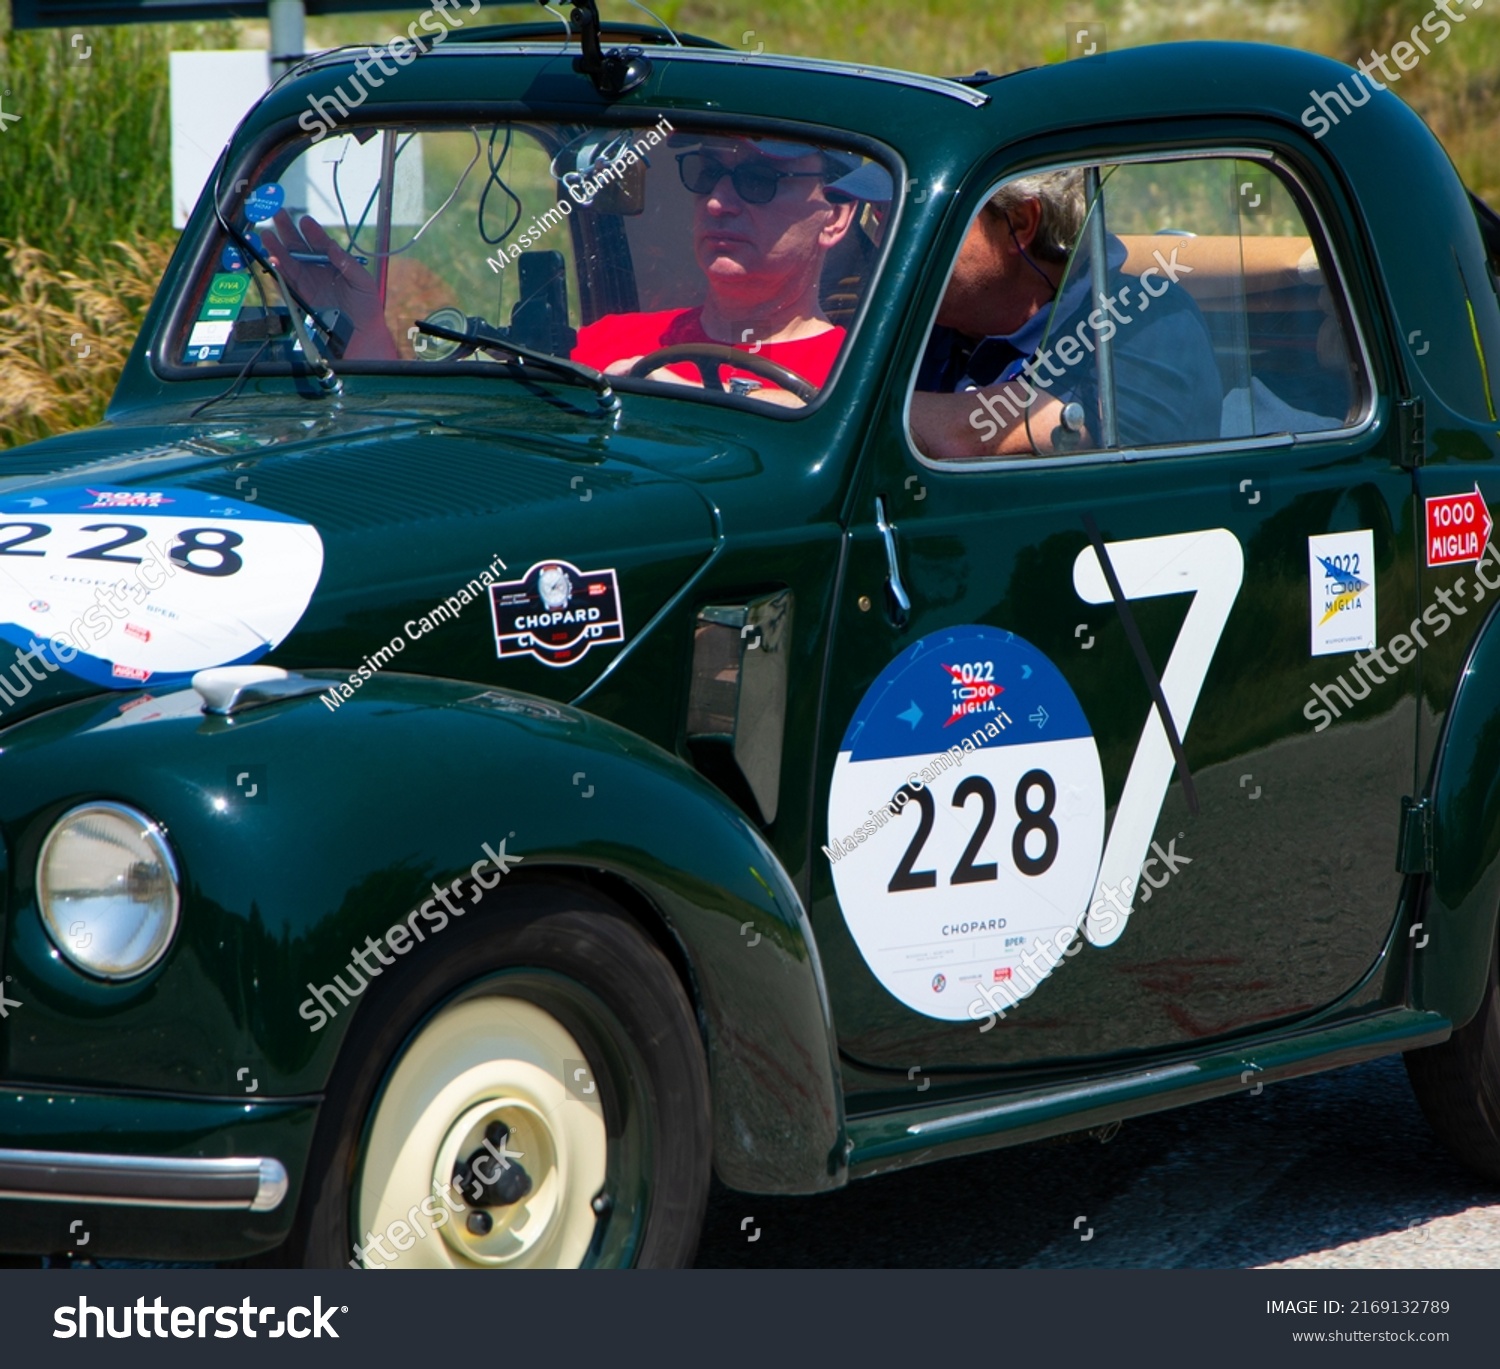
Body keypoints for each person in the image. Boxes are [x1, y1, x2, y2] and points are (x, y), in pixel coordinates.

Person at [907, 169, 1223, 458]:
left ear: (1020, 223)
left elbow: (969, 433)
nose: (899, 243)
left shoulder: (1144, 319)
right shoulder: (932, 320)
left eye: (923, 218)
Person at [570, 136, 858, 405]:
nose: (717, 203)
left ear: (835, 216)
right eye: (708, 172)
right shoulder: (605, 343)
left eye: (759, 179)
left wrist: (682, 397)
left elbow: (851, 424)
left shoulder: (860, 374)